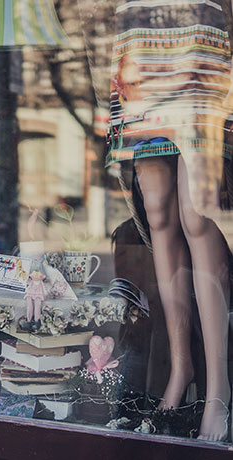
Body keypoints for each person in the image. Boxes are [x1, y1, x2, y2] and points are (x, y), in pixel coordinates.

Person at [107, 0, 233, 441]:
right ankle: (180, 369)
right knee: (157, 207)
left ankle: (218, 389)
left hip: (199, 20)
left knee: (196, 211)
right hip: (141, 28)